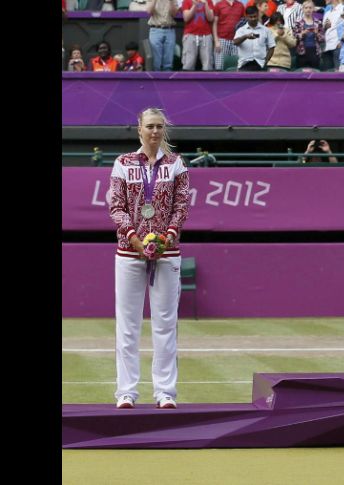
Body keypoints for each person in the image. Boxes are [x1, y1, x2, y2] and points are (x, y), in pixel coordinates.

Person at [109, 107, 190, 409]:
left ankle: (165, 392)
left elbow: (182, 206)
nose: (154, 132)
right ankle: (126, 392)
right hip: (128, 253)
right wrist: (134, 238)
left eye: (159, 127)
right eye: (150, 127)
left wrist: (165, 237)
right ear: (139, 129)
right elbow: (116, 206)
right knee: (128, 325)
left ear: (163, 130)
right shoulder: (123, 163)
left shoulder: (176, 164)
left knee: (165, 324)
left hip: (167, 253)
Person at [234, 5, 276, 70]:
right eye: (250, 17)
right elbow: (235, 42)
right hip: (244, 65)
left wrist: (266, 60)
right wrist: (245, 36)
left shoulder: (266, 30)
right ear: (246, 17)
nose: (253, 19)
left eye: (255, 16)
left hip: (261, 64)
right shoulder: (241, 30)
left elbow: (272, 46)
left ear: (258, 15)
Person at [147, 0, 179, 72]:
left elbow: (174, 14)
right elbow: (149, 11)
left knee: (168, 62)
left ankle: (167, 82)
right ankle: (155, 81)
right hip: (156, 29)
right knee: (156, 62)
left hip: (169, 29)